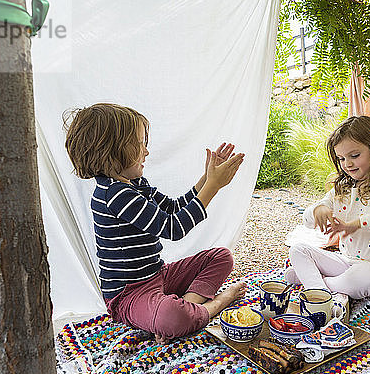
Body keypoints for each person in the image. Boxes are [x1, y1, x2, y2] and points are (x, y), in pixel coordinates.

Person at [64, 103, 247, 344]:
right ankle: (216, 304)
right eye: (139, 144)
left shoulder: (135, 183)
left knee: (221, 256)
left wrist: (206, 178)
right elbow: (174, 228)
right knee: (172, 318)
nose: (146, 152)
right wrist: (213, 186)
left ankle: (186, 307)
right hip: (128, 294)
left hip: (158, 275)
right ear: (112, 151)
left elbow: (172, 207)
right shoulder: (115, 194)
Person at [285, 115, 370, 309]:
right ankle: (321, 291)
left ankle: (317, 285)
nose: (347, 164)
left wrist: (359, 223)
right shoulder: (344, 187)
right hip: (347, 262)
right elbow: (307, 221)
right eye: (341, 158)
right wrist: (319, 209)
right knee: (298, 249)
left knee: (361, 277)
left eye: (354, 156)